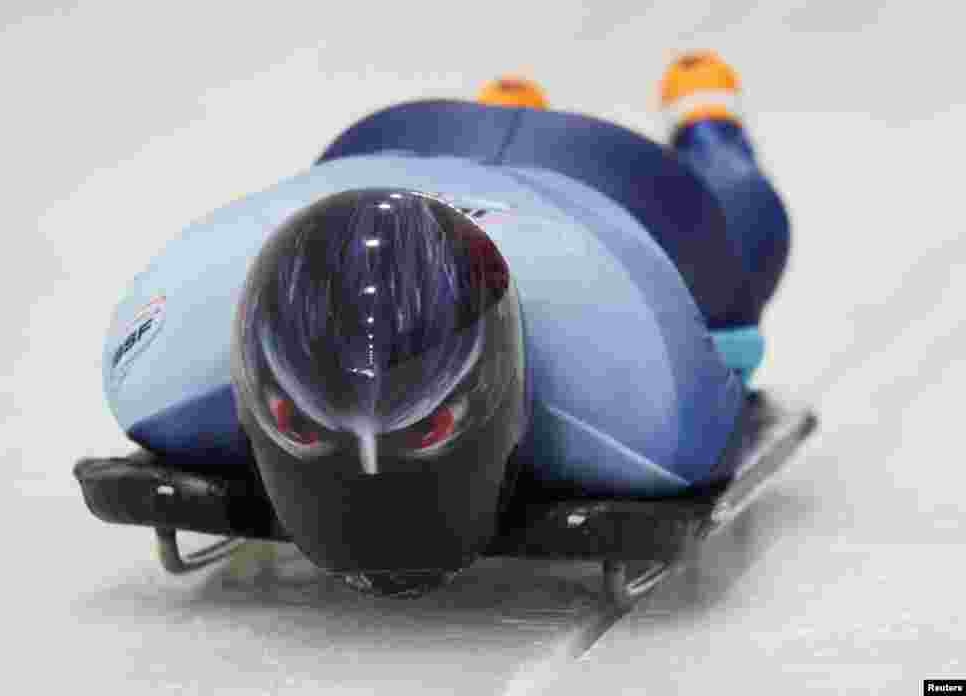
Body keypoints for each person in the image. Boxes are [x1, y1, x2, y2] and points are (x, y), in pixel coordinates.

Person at [100, 52, 790, 588]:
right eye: (302, 422)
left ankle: (706, 124)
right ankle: (543, 107)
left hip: (609, 185)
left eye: (424, 427)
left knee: (747, 241)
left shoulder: (647, 412)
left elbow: (729, 376)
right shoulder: (156, 370)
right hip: (410, 142)